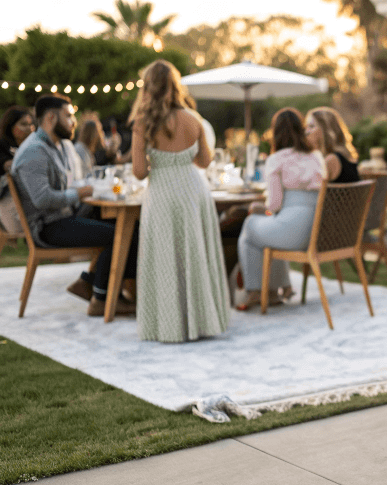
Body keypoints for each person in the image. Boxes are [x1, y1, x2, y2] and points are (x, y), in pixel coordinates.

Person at [8, 93, 137, 317]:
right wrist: (79, 193)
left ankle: (90, 283)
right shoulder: (34, 151)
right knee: (120, 235)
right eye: (68, 116)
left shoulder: (60, 146)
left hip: (65, 216)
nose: (74, 122)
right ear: (51, 118)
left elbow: (72, 182)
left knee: (130, 226)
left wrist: (88, 187)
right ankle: (101, 299)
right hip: (47, 226)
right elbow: (42, 199)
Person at [130, 59, 229, 343]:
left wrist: (158, 158)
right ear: (175, 86)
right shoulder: (193, 119)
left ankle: (170, 326)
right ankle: (202, 321)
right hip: (192, 190)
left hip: (162, 193)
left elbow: (139, 172)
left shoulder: (143, 123)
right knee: (195, 255)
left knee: (165, 258)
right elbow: (205, 161)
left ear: (148, 88)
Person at [236, 107, 327, 310]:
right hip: (315, 233)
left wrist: (259, 207)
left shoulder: (276, 159)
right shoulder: (316, 157)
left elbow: (274, 205)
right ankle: (276, 290)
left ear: (275, 133)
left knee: (250, 226)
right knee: (268, 230)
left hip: (293, 232)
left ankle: (255, 291)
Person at [0, 106, 35, 234]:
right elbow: (2, 165)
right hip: (9, 203)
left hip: (30, 200)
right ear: (10, 126)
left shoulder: (34, 146)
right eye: (23, 124)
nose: (29, 128)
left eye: (31, 124)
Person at [305, 107, 359, 184]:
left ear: (325, 130)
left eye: (311, 126)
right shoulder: (345, 156)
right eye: (306, 127)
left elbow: (309, 186)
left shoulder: (331, 160)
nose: (306, 131)